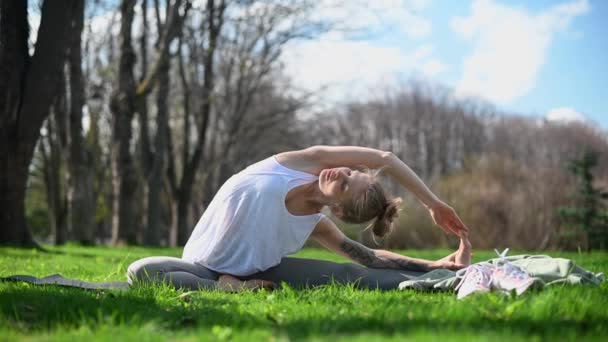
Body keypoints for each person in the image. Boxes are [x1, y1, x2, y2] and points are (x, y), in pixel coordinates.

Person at [127, 146, 472, 291]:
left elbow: (371, 258)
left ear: (337, 211)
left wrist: (432, 265)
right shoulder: (300, 163)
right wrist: (434, 204)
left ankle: (445, 282)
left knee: (351, 271)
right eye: (351, 172)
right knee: (142, 270)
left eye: (346, 184)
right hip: (202, 266)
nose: (341, 172)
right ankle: (227, 288)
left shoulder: (316, 222)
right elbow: (386, 157)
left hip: (259, 273)